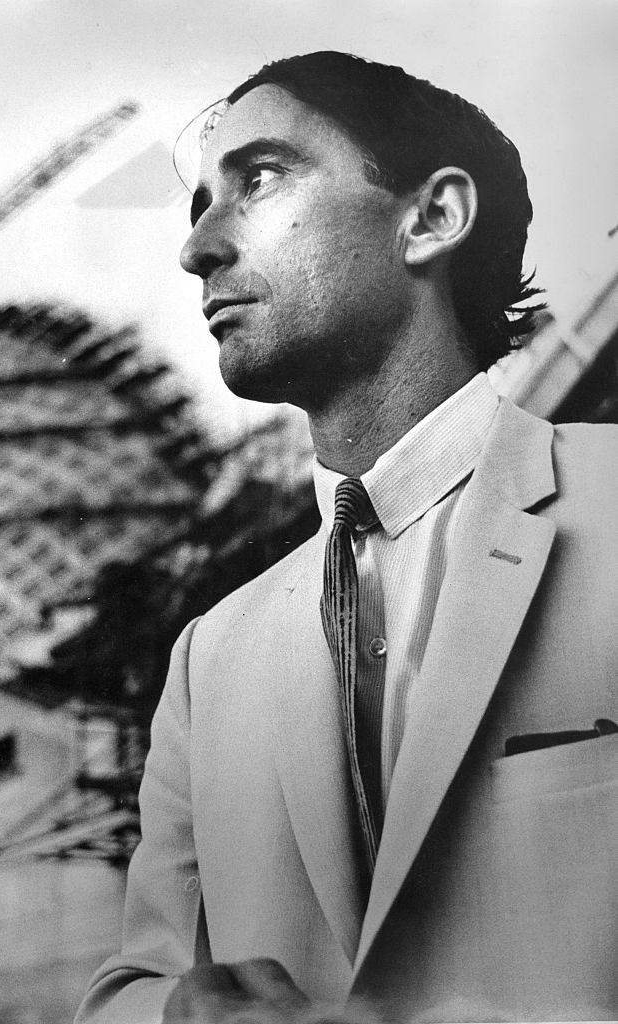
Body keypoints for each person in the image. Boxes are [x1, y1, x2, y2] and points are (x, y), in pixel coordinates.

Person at [76, 52, 617, 1024]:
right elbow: (128, 979)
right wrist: (176, 1012)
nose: (198, 245)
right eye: (201, 201)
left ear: (433, 217)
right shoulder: (211, 658)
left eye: (261, 177)